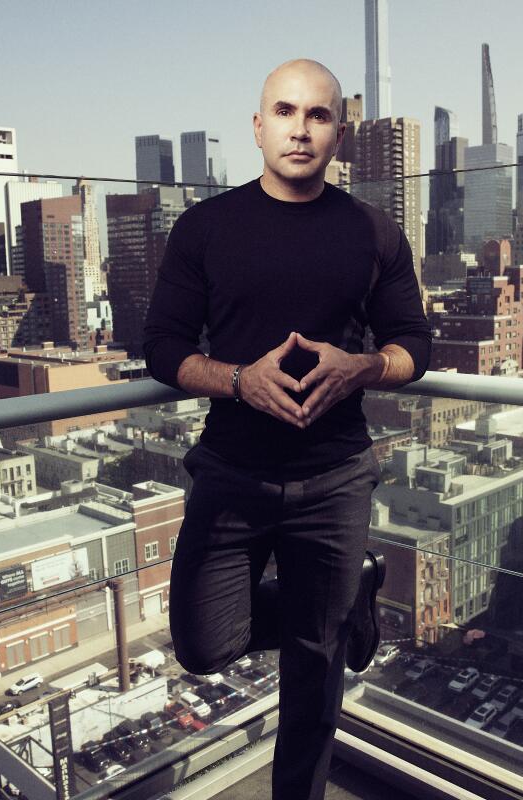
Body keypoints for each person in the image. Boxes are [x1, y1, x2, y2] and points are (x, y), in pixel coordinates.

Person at [143, 58, 431, 799]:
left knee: (315, 671)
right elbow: (164, 347)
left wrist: (360, 368)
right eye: (285, 111)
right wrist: (240, 380)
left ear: (340, 133)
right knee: (205, 645)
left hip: (336, 478)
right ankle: (350, 599)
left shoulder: (373, 231)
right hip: (231, 473)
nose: (300, 129)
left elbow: (415, 347)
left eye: (318, 115)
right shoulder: (205, 228)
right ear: (258, 125)